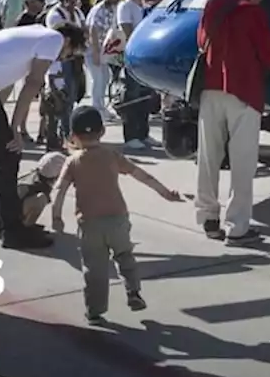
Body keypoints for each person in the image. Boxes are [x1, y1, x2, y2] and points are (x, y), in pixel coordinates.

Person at [0, 22, 87, 250]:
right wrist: (15, 129)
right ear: (67, 41)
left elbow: (6, 78)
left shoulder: (35, 33)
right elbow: (32, 84)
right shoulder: (53, 39)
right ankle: (12, 230)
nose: (63, 59)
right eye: (68, 55)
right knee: (9, 154)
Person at [51, 105, 183, 325]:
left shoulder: (72, 162)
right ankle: (133, 291)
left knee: (95, 269)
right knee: (125, 256)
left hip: (90, 224)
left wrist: (57, 217)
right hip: (118, 220)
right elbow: (142, 175)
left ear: (73, 136)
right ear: (102, 132)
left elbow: (60, 190)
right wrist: (166, 193)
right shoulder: (112, 156)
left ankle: (95, 311)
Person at [194, 0, 270, 244]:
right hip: (243, 92)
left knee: (208, 158)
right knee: (242, 164)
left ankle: (208, 218)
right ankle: (237, 227)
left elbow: (200, 40)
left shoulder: (213, 5)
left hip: (210, 90)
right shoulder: (252, 11)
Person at [116, 0, 159, 150]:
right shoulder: (125, 7)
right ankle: (131, 135)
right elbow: (127, 30)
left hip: (145, 57)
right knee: (132, 96)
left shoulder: (143, 6)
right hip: (133, 55)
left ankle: (143, 133)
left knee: (144, 96)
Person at [46, 0, 88, 136]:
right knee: (61, 98)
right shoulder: (55, 15)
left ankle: (66, 131)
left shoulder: (77, 12)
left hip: (76, 59)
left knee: (74, 96)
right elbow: (62, 37)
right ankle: (64, 133)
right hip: (62, 61)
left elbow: (84, 31)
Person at [86, 0, 119, 119]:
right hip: (94, 48)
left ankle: (101, 106)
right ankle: (96, 107)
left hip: (104, 49)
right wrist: (95, 52)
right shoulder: (98, 9)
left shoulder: (113, 9)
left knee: (105, 77)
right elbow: (93, 29)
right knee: (98, 78)